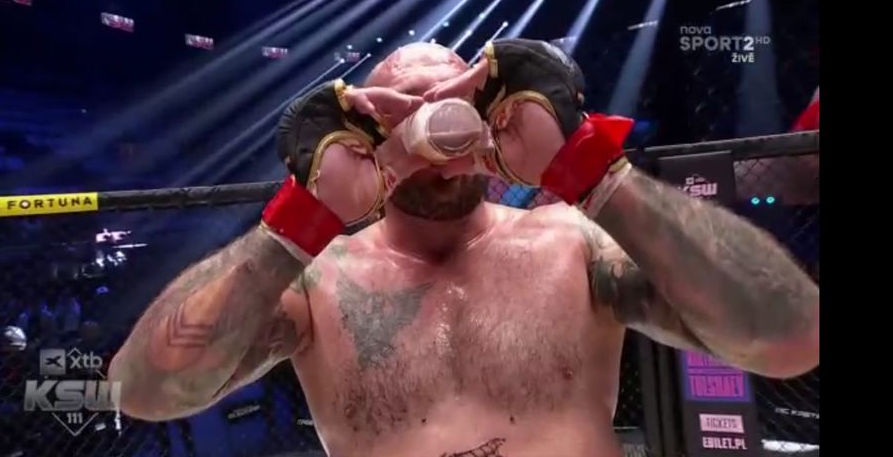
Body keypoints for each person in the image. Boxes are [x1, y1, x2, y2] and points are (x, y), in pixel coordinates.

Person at [109, 41, 819, 456]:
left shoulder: (573, 246)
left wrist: (591, 169)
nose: (435, 135)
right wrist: (302, 218)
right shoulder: (318, 283)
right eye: (405, 113)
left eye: (452, 104)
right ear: (364, 134)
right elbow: (144, 390)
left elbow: (790, 336)